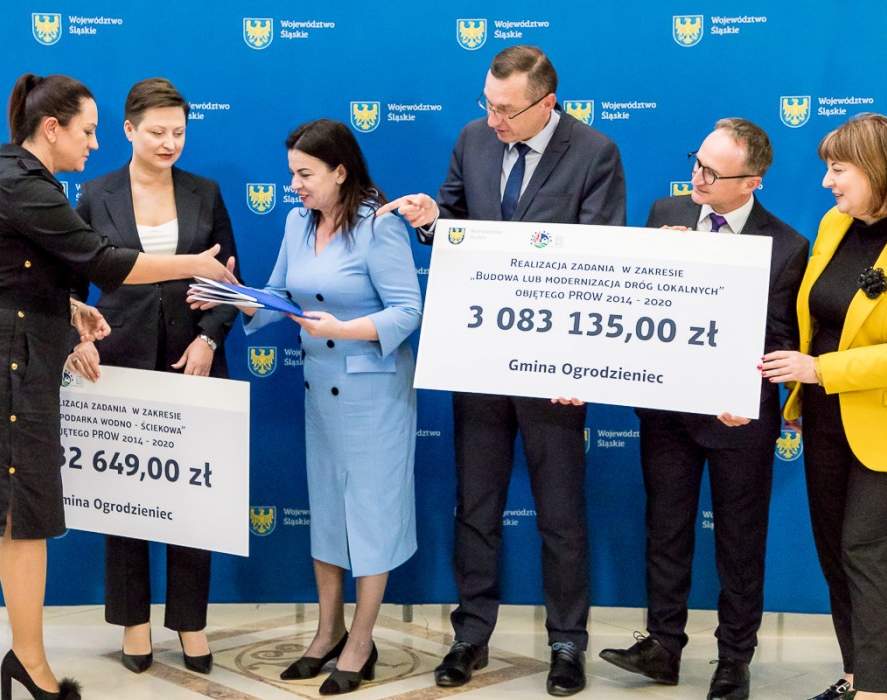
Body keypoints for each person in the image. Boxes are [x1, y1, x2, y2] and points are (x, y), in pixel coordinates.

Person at [0, 73, 235, 700]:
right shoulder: (26, 186)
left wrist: (67, 310)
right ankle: (29, 664)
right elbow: (105, 261)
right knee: (20, 516)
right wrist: (195, 264)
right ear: (52, 128)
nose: (94, 143)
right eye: (87, 130)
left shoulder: (14, 178)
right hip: (2, 360)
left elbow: (10, 275)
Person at [379, 45, 625, 696]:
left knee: (561, 514)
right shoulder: (472, 139)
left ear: (547, 103)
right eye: (487, 104)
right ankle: (471, 635)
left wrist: (580, 364)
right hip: (480, 358)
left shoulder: (595, 153)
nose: (493, 120)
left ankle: (567, 643)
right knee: (477, 506)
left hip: (554, 368)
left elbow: (603, 261)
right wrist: (433, 220)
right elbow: (456, 223)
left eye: (506, 110)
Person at [598, 119, 808, 700]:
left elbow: (779, 337)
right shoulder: (666, 212)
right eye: (697, 163)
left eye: (713, 173)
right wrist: (657, 260)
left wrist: (745, 392)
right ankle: (662, 646)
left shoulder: (786, 245)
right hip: (668, 412)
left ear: (752, 182)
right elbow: (637, 302)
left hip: (737, 419)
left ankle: (734, 658)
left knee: (740, 541)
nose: (698, 178)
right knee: (665, 529)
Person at [232, 118, 421, 695]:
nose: (294, 185)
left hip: (374, 395)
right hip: (320, 391)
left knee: (371, 515)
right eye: (292, 173)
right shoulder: (297, 222)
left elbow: (408, 310)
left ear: (340, 172)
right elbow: (280, 296)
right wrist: (235, 296)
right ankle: (327, 632)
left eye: (305, 174)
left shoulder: (379, 226)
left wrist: (344, 327)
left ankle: (361, 642)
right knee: (330, 514)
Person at [62, 77, 239, 677]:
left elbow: (229, 278)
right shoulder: (96, 193)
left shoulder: (205, 191)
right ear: (128, 130)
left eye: (179, 133)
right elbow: (72, 283)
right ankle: (132, 622)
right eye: (157, 132)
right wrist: (79, 337)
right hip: (122, 364)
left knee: (193, 496)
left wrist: (209, 339)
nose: (169, 143)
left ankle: (190, 622)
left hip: (195, 362)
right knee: (127, 496)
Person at [762, 113, 887, 700]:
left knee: (867, 551)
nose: (826, 182)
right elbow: (813, 316)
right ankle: (857, 675)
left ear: (876, 168)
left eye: (838, 169)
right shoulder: (835, 223)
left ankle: (881, 690)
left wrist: (821, 371)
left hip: (883, 425)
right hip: (823, 418)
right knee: (836, 551)